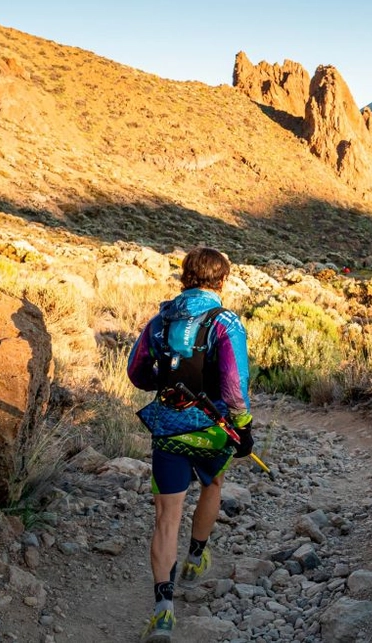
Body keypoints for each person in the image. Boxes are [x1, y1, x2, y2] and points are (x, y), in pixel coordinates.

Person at [127, 247, 254, 642]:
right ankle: (197, 557)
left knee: (167, 516)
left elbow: (136, 371)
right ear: (223, 280)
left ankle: (163, 611)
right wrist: (243, 427)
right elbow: (235, 387)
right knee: (212, 486)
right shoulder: (225, 322)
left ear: (185, 276)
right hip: (213, 428)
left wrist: (164, 387)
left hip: (167, 427)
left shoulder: (160, 320)